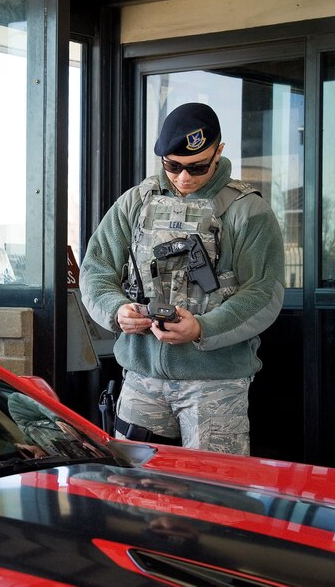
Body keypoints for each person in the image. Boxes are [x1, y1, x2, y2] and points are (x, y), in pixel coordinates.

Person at [79, 102, 285, 455]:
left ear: (219, 152)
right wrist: (117, 311)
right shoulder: (135, 202)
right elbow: (96, 270)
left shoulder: (248, 211)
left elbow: (263, 293)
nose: (184, 178)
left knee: (215, 494)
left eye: (197, 167)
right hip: (142, 379)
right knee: (137, 494)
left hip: (215, 385)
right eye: (173, 167)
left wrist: (202, 328)